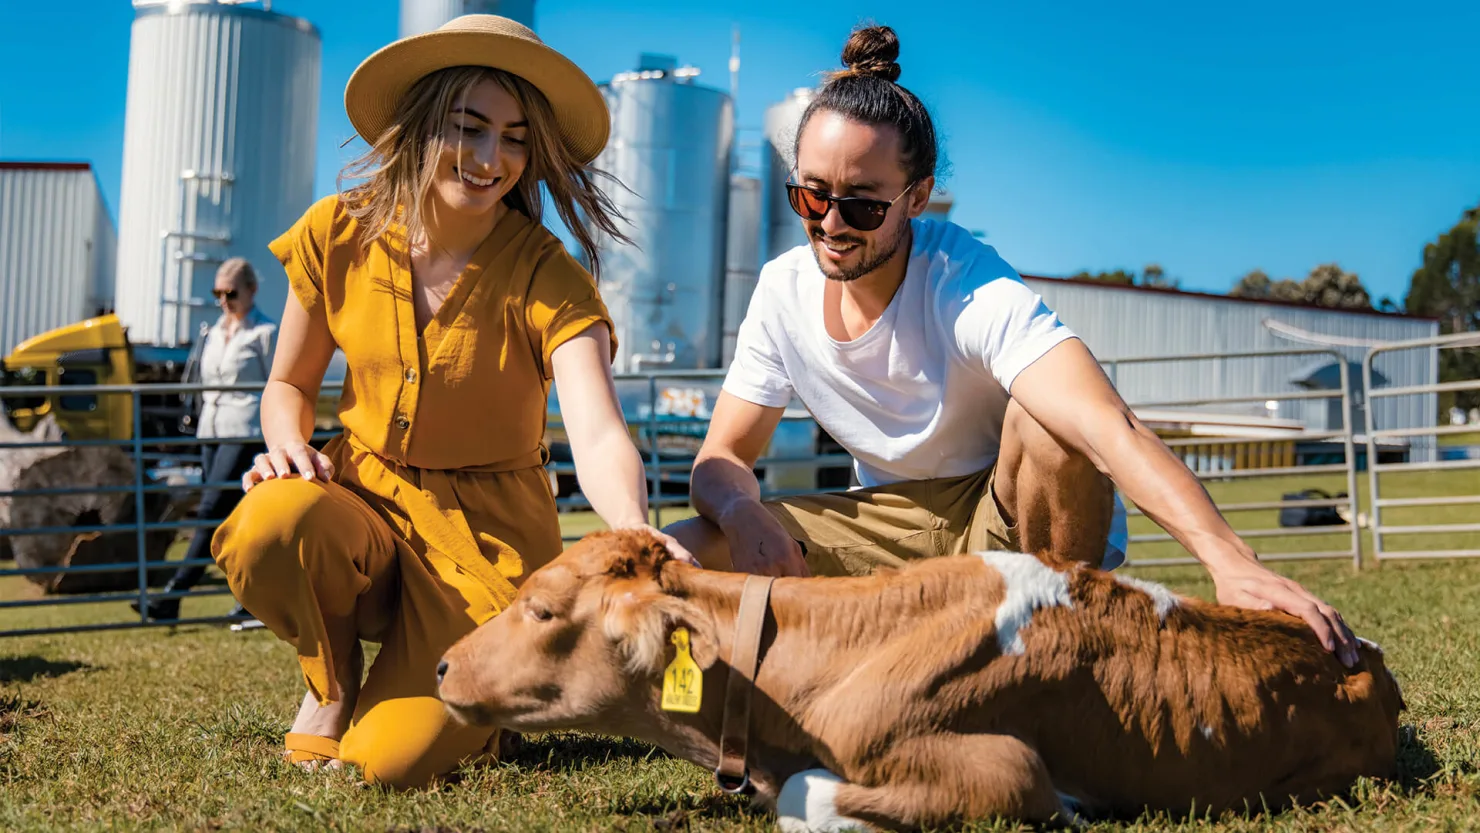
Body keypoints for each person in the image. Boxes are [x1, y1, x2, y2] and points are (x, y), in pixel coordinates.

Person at [667, 24, 1359, 668]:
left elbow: (1104, 424)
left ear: (917, 197)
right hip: (888, 521)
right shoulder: (781, 289)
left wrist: (1227, 558)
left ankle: (1055, 655)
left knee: (1049, 418)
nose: (833, 225)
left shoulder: (966, 281)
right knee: (688, 549)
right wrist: (740, 510)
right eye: (812, 197)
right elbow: (721, 456)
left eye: (864, 205)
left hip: (1006, 519)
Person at [210, 15, 688, 788]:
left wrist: (632, 527)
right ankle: (329, 686)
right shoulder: (338, 231)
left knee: (388, 764)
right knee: (275, 519)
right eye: (468, 128)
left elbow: (597, 429)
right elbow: (290, 385)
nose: (491, 158)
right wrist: (287, 442)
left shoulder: (548, 275)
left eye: (514, 138)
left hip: (485, 544)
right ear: (423, 124)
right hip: (359, 498)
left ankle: (478, 709)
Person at [132, 257, 272, 622]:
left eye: (231, 292)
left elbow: (281, 386)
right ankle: (252, 599)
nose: (223, 300)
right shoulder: (211, 333)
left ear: (251, 291)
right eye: (217, 293)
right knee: (234, 520)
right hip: (210, 430)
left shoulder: (265, 333)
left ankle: (173, 593)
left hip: (245, 432)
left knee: (210, 510)